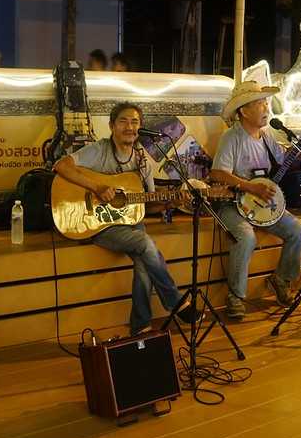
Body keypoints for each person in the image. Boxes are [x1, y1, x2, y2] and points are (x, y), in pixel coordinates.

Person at [54, 102, 201, 335]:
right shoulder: (99, 149)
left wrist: (171, 202)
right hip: (97, 223)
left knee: (144, 261)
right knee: (144, 244)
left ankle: (140, 325)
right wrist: (98, 186)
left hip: (130, 223)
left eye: (134, 122)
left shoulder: (142, 161)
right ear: (112, 125)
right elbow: (62, 166)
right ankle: (174, 301)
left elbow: (146, 204)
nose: (129, 127)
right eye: (123, 121)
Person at [209, 81, 301, 320]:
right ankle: (235, 296)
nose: (267, 108)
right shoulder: (231, 138)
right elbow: (218, 174)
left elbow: (281, 164)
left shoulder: (268, 137)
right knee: (246, 236)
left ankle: (281, 280)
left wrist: (299, 148)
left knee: (298, 230)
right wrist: (250, 187)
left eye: (266, 103)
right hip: (231, 202)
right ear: (243, 111)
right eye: (260, 104)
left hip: (262, 203)